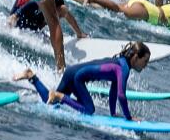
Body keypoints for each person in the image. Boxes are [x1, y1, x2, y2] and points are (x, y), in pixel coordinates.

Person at [14, 41, 150, 121]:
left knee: (49, 103)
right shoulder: (124, 69)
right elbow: (121, 95)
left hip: (71, 71)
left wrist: (113, 114)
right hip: (77, 77)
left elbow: (114, 92)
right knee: (89, 109)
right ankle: (59, 96)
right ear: (136, 57)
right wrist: (129, 118)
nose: (145, 65)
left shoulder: (120, 63)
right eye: (145, 61)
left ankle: (31, 76)